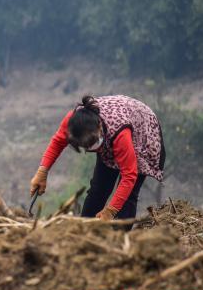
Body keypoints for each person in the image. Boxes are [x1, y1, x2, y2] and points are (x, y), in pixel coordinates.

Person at [30, 95, 164, 222]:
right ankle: (85, 230)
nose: (93, 148)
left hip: (141, 131)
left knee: (127, 198)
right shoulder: (73, 123)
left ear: (99, 126)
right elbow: (58, 142)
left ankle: (120, 238)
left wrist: (111, 210)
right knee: (97, 190)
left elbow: (129, 175)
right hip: (111, 137)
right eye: (87, 146)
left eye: (93, 142)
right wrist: (42, 171)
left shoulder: (120, 133)